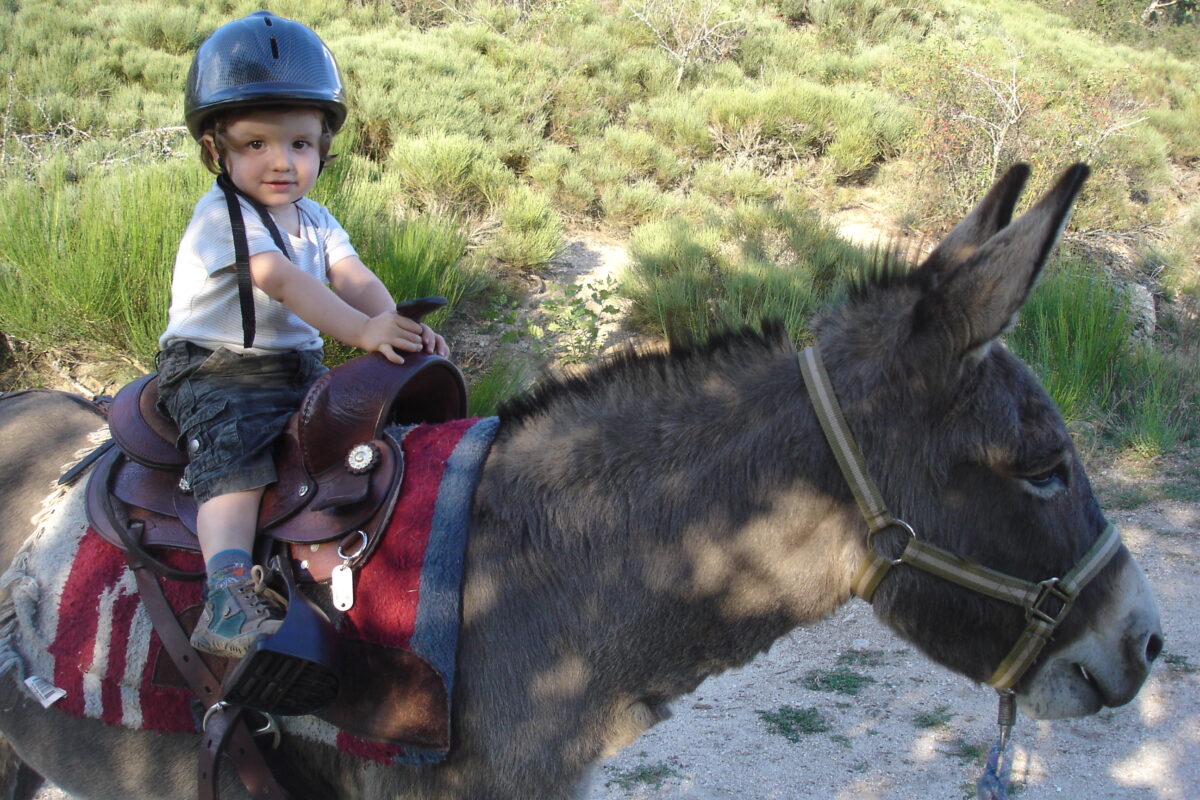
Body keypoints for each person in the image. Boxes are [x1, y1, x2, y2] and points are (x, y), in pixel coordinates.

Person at [156, 10, 448, 660]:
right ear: (216, 151)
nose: (281, 161)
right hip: (217, 370)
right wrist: (365, 330)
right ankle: (227, 594)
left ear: (322, 147)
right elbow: (281, 281)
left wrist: (393, 323)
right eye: (255, 144)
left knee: (354, 443)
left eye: (299, 144)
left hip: (295, 366)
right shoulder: (223, 216)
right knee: (237, 463)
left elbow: (352, 276)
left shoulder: (315, 216)